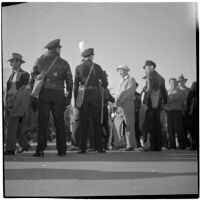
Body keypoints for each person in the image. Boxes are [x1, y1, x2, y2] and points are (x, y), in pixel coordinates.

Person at [33, 39, 73, 157]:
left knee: (42, 122)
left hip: (44, 93)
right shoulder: (64, 63)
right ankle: (62, 150)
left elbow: (33, 78)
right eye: (60, 48)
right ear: (57, 49)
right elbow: (70, 82)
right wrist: (68, 98)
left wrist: (33, 96)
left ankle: (40, 150)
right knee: (59, 122)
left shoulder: (39, 60)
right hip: (58, 94)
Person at [74, 42, 108, 153]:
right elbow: (105, 83)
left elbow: (75, 85)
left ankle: (83, 148)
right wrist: (98, 85)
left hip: (83, 96)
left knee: (83, 122)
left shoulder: (78, 67)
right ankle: (99, 147)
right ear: (91, 56)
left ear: (84, 57)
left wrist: (76, 100)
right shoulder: (97, 67)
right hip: (95, 97)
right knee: (96, 122)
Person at [4, 53, 31, 155]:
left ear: (19, 62)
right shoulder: (11, 74)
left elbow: (20, 88)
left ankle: (10, 149)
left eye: (13, 61)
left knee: (11, 125)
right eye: (10, 61)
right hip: (9, 102)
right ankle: (25, 145)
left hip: (17, 102)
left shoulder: (25, 74)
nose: (11, 63)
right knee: (14, 126)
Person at [142, 60, 167, 151]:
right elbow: (165, 92)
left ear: (152, 67)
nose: (145, 69)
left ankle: (149, 145)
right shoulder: (161, 78)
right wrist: (164, 102)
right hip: (158, 102)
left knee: (148, 123)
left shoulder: (150, 75)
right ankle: (157, 146)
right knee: (157, 123)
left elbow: (148, 89)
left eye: (146, 67)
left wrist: (144, 102)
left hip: (150, 101)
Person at [115, 64, 137, 151]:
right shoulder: (121, 80)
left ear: (127, 71)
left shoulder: (131, 79)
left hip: (127, 103)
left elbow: (129, 92)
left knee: (129, 124)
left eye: (122, 70)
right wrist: (116, 101)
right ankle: (119, 143)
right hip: (120, 105)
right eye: (119, 70)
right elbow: (118, 93)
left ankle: (131, 145)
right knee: (117, 123)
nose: (120, 72)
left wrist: (120, 100)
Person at [166, 78, 185, 149]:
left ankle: (182, 145)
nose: (173, 84)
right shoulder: (167, 91)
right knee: (170, 129)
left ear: (177, 83)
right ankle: (172, 145)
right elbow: (165, 100)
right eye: (171, 83)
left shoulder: (180, 91)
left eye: (174, 83)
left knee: (178, 128)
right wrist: (170, 98)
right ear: (169, 84)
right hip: (169, 111)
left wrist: (169, 98)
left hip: (177, 111)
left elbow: (176, 98)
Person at [178, 74, 191, 148]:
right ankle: (183, 143)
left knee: (189, 127)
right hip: (179, 111)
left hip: (187, 111)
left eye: (182, 81)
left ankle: (190, 143)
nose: (180, 83)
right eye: (179, 81)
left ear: (185, 81)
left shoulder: (189, 90)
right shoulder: (176, 90)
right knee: (181, 128)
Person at [187, 81, 198, 150]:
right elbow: (188, 102)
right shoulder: (191, 92)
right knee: (193, 129)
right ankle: (194, 144)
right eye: (195, 85)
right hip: (193, 114)